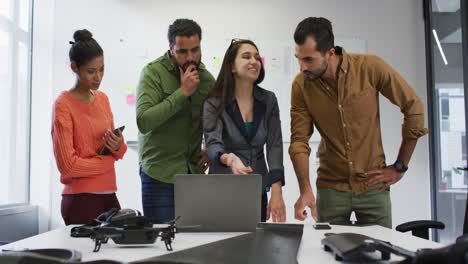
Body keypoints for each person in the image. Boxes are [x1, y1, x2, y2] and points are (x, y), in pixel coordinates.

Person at [289, 17, 428, 228]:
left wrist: (400, 166)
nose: (302, 67)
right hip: (330, 188)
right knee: (327, 257)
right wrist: (305, 189)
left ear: (330, 53)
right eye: (298, 58)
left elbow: (413, 106)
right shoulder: (301, 85)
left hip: (373, 186)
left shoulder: (370, 67)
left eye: (308, 59)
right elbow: (299, 141)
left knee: (381, 256)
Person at [136, 19, 215, 224]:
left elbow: (217, 120)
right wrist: (183, 93)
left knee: (196, 245)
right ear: (171, 48)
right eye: (182, 51)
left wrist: (211, 147)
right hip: (159, 175)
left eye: (195, 50)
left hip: (194, 175)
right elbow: (144, 121)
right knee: (162, 247)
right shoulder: (152, 73)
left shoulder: (206, 79)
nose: (190, 57)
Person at [203, 39, 286, 222]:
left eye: (257, 57)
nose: (254, 61)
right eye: (246, 57)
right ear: (231, 66)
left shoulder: (269, 100)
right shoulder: (214, 102)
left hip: (257, 186)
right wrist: (229, 158)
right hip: (223, 185)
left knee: (257, 243)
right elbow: (212, 143)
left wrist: (277, 190)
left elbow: (274, 145)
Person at [52, 29, 127, 225]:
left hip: (109, 195)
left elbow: (118, 152)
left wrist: (117, 145)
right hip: (80, 199)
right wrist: (105, 163)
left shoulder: (102, 99)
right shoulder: (63, 105)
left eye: (102, 69)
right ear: (74, 67)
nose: (98, 77)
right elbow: (67, 166)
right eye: (91, 71)